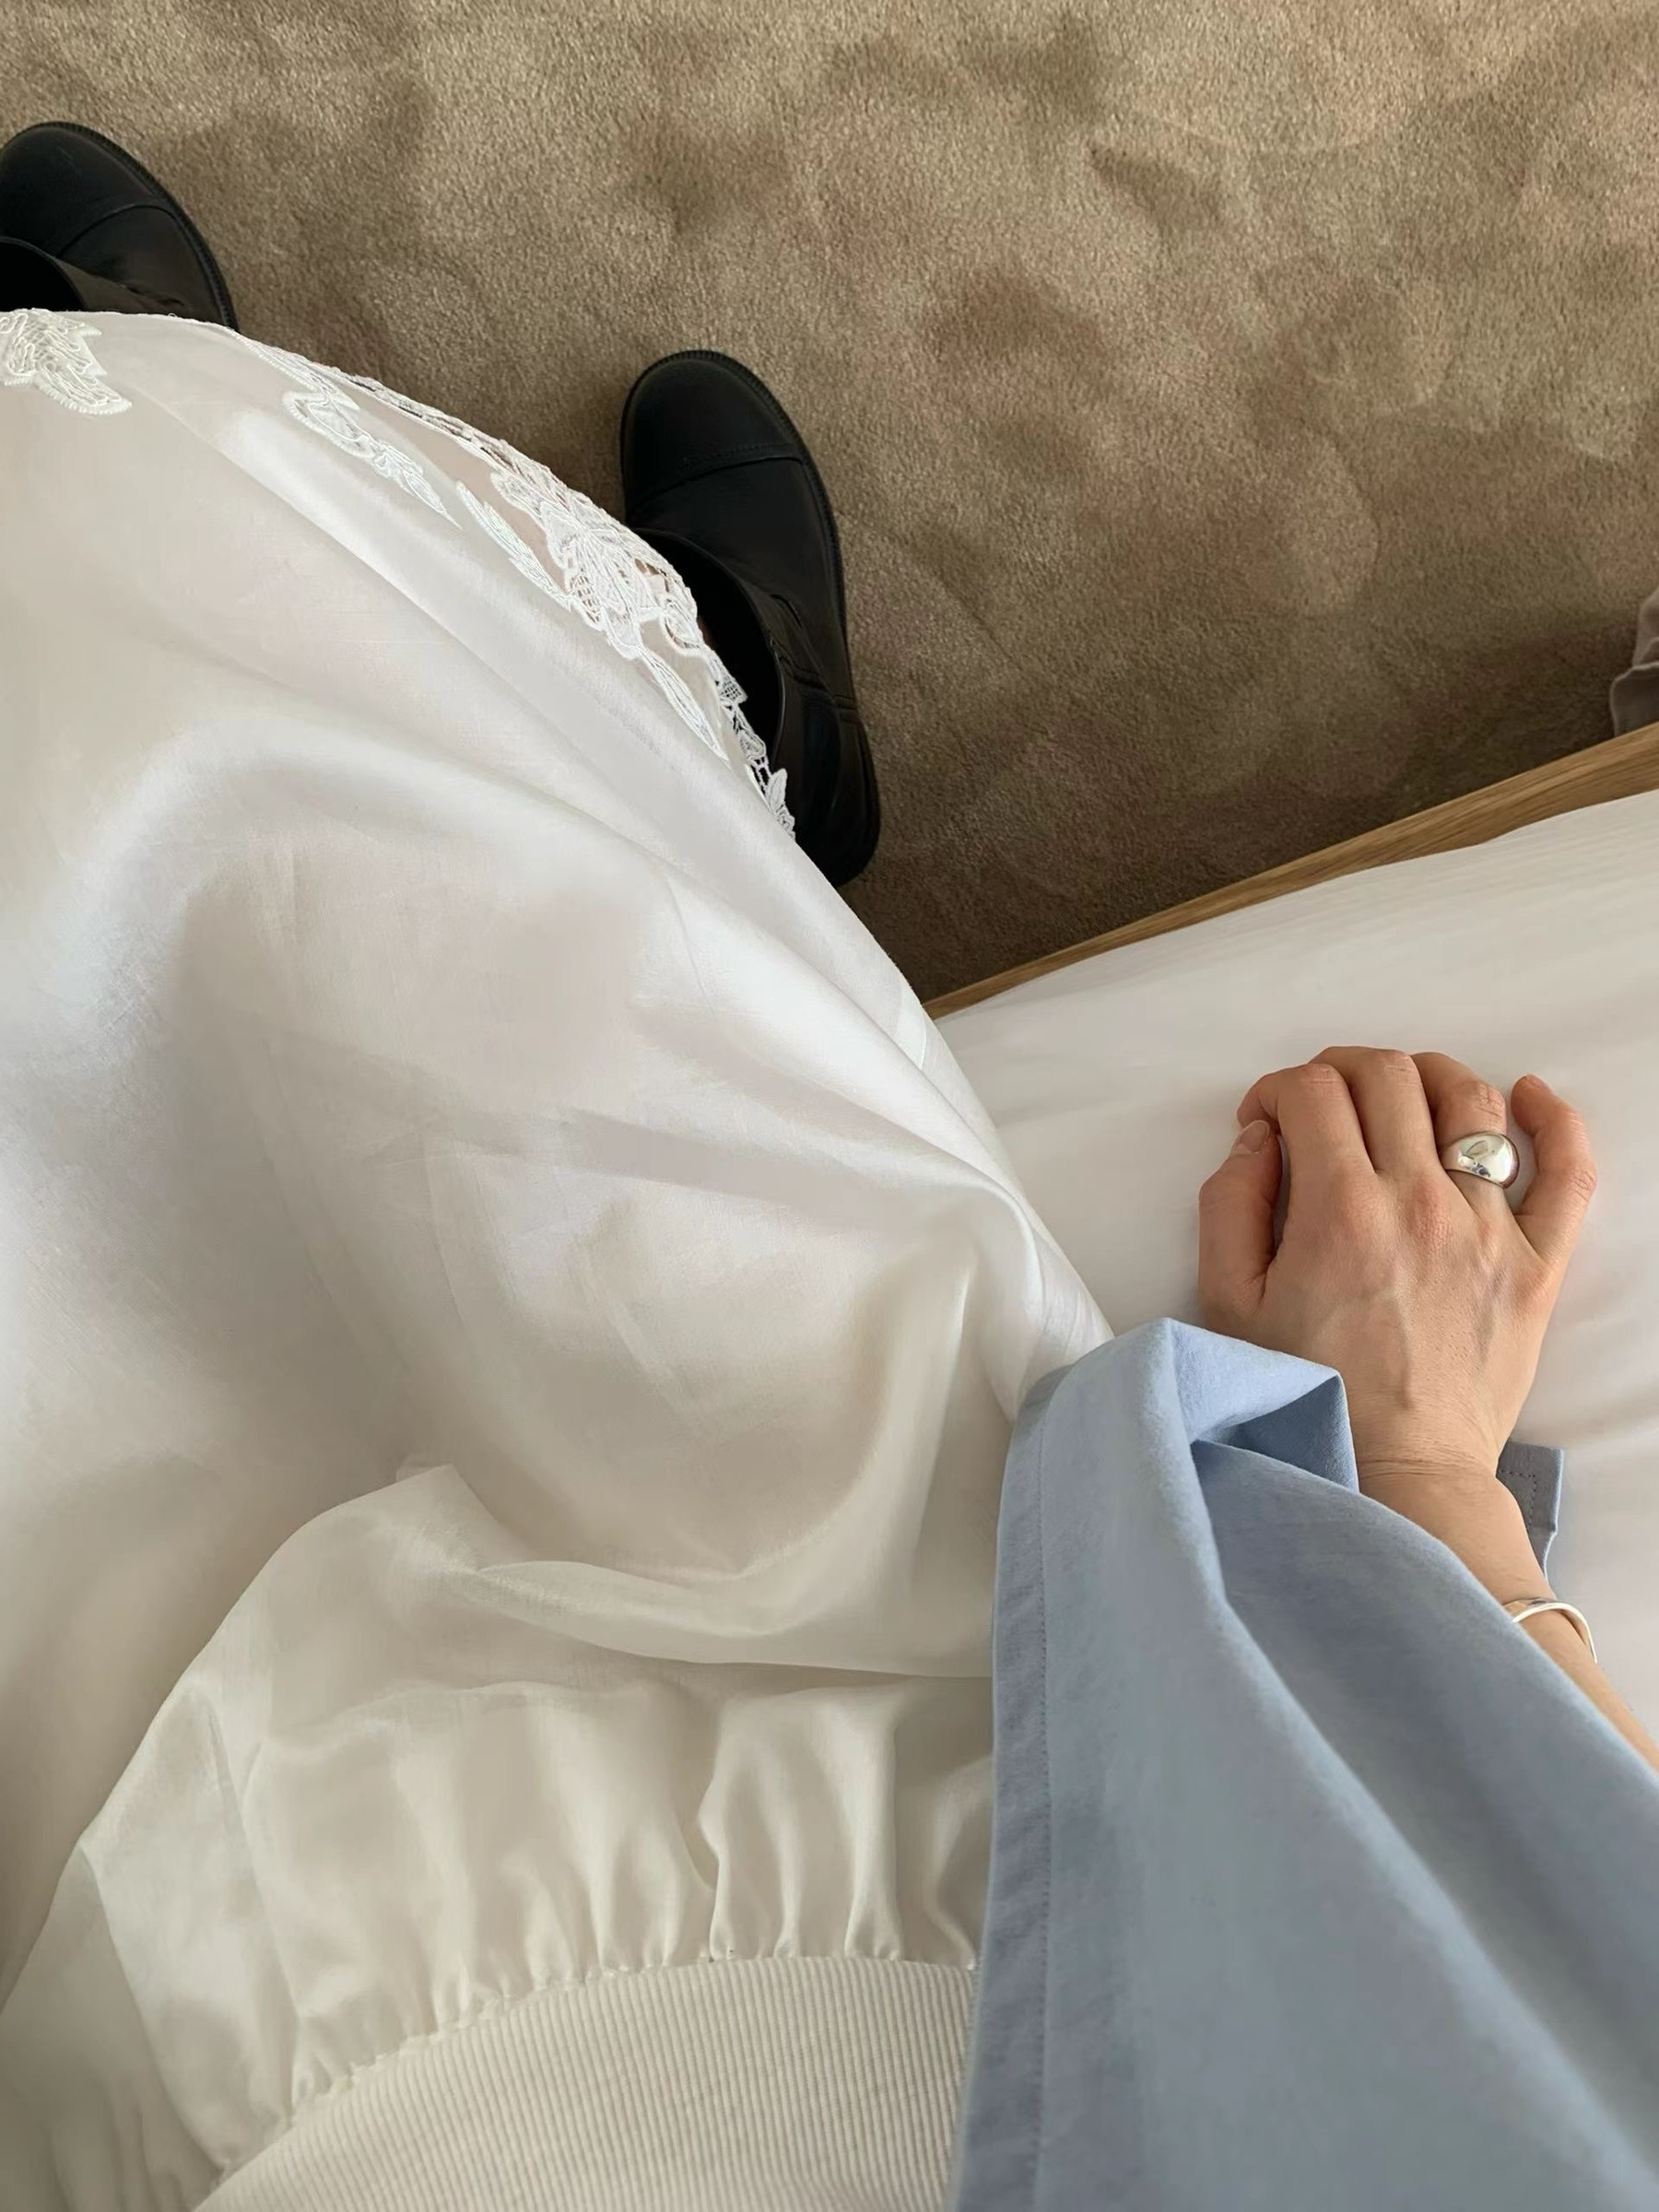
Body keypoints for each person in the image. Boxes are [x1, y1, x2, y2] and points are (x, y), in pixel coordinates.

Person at [1, 124, 1656, 2211]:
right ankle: (593, 675)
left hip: (224, 2083)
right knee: (619, 1209)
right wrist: (1422, 1486)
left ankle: (261, 555)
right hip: (1005, 1930)